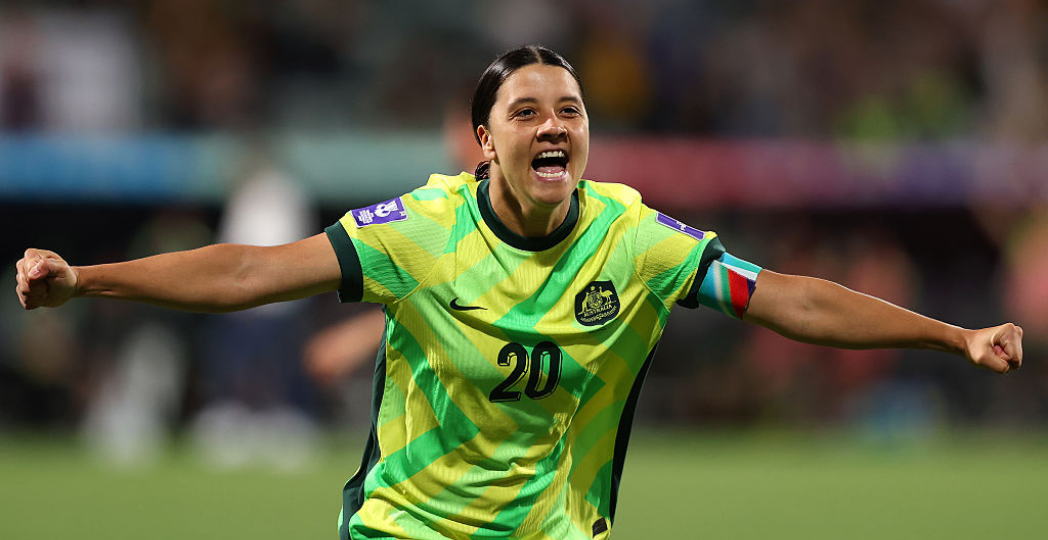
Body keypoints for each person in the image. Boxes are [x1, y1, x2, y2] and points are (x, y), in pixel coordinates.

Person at [15, 45, 1023, 540]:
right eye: (527, 111)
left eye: (571, 111)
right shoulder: (420, 229)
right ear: (483, 139)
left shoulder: (632, 239)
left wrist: (951, 336)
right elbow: (247, 267)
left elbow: (791, 299)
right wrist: (86, 282)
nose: (555, 126)